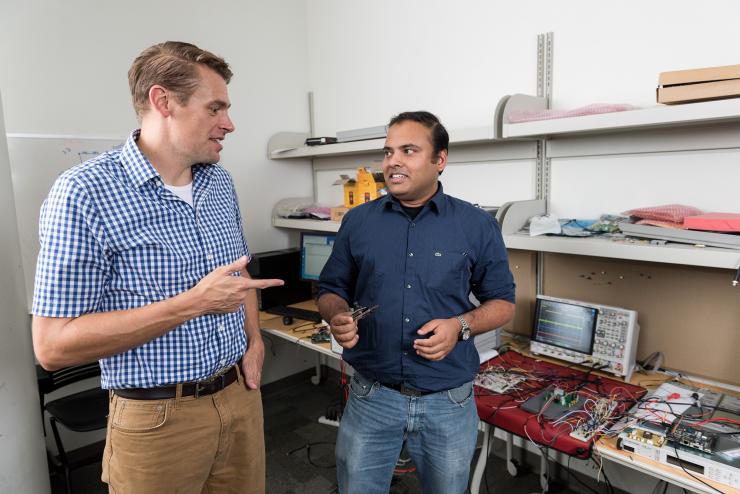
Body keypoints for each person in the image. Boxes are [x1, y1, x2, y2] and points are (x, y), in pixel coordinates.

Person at [31, 41, 283, 493]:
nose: (229, 124)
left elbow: (239, 273)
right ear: (163, 102)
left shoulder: (219, 182)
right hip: (158, 420)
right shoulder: (84, 193)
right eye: (216, 108)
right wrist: (190, 304)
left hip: (239, 396)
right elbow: (52, 346)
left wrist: (255, 339)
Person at [318, 111, 516, 494]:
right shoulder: (358, 222)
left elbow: (504, 303)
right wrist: (337, 314)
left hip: (448, 401)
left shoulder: (476, 225)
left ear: (439, 160)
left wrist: (460, 326)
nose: (393, 161)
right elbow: (329, 288)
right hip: (372, 395)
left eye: (409, 150)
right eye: (388, 151)